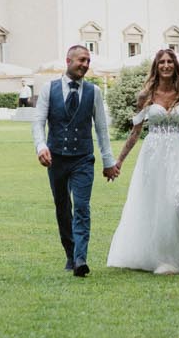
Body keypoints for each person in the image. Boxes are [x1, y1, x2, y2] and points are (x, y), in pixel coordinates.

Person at [106, 47, 179, 274]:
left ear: (175, 66)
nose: (166, 65)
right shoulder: (146, 96)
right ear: (156, 67)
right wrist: (119, 161)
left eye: (170, 62)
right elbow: (135, 132)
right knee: (160, 205)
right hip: (154, 155)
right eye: (162, 62)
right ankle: (164, 258)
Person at [30, 44, 118, 276]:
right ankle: (70, 253)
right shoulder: (49, 89)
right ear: (68, 61)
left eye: (88, 61)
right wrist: (41, 146)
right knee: (62, 207)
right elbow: (38, 121)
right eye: (82, 60)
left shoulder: (94, 92)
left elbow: (101, 129)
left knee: (81, 207)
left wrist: (108, 161)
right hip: (56, 159)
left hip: (83, 159)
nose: (86, 65)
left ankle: (80, 258)